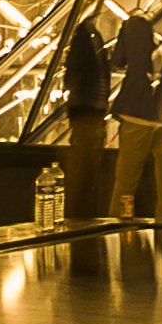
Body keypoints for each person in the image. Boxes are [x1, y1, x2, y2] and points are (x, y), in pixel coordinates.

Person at [109, 11, 162, 225]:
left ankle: (121, 220)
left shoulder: (133, 27)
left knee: (126, 181)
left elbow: (117, 61)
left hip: (136, 114)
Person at [60, 11, 116, 219]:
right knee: (86, 171)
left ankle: (78, 215)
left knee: (81, 170)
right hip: (92, 110)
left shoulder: (85, 37)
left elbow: (72, 73)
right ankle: (81, 215)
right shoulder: (92, 38)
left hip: (85, 110)